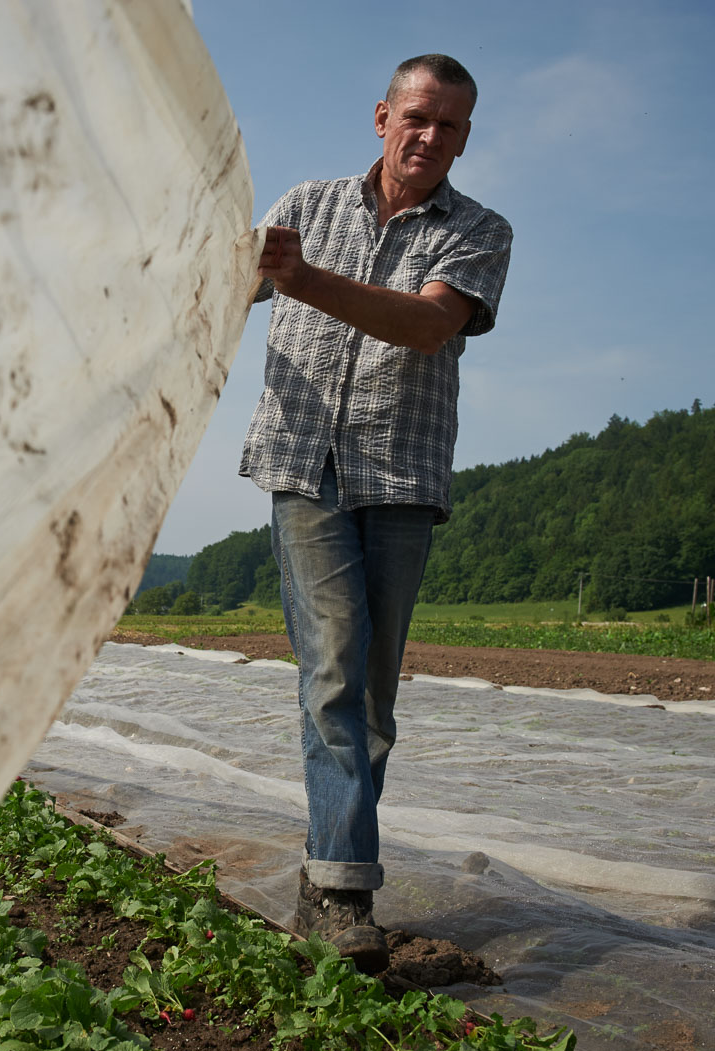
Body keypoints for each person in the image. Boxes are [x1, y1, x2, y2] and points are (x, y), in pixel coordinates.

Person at [242, 54, 512, 974]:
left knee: (372, 693)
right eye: (417, 118)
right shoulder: (306, 206)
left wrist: (300, 281)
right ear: (382, 117)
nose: (430, 138)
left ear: (465, 138)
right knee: (331, 670)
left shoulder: (480, 230)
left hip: (400, 473)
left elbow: (428, 324)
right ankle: (346, 891)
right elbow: (213, 284)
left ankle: (329, 878)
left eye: (451, 127)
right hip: (302, 461)